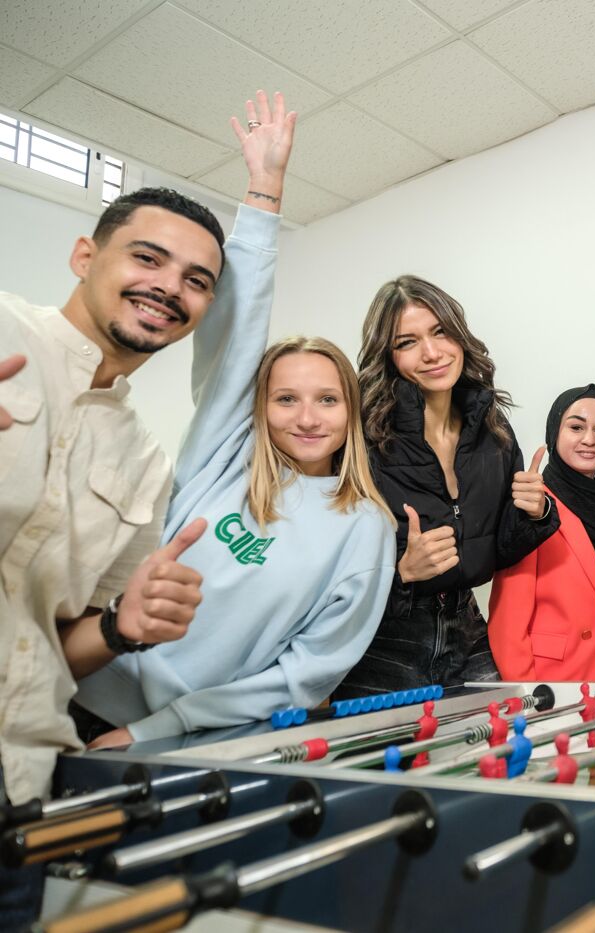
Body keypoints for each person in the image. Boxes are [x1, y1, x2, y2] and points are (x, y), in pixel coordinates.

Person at [74, 92, 395, 743]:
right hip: (75, 688)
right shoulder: (229, 453)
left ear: (350, 412)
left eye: (327, 399)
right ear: (259, 408)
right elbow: (239, 335)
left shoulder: (365, 528)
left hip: (183, 738)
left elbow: (309, 669)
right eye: (285, 398)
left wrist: (162, 725)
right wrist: (265, 193)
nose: (306, 417)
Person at [0, 119, 243, 931]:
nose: (170, 286)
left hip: (19, 778)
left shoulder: (146, 462)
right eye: (148, 257)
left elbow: (61, 642)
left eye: (196, 279)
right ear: (84, 256)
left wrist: (122, 625)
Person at [334, 277, 559, 696]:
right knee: (381, 763)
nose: (432, 352)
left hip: (467, 629)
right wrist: (401, 574)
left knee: (493, 754)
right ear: (388, 356)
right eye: (407, 342)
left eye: (440, 332)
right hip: (387, 638)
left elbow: (497, 548)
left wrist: (537, 513)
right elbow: (324, 561)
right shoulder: (362, 436)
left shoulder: (492, 428)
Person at [489, 385, 595, 680]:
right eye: (576, 427)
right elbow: (508, 624)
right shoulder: (535, 504)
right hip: (562, 685)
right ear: (555, 433)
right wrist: (528, 701)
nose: (589, 439)